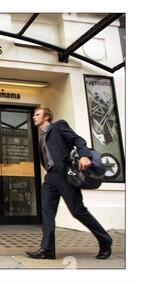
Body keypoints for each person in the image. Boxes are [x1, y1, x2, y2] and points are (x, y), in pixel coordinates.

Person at [26, 108, 113, 260]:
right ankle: (47, 249)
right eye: (34, 115)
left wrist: (85, 156)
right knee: (46, 212)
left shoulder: (58, 126)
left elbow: (78, 140)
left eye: (37, 114)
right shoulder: (41, 137)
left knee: (77, 211)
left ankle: (105, 240)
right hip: (50, 177)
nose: (34, 117)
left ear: (46, 117)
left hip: (65, 175)